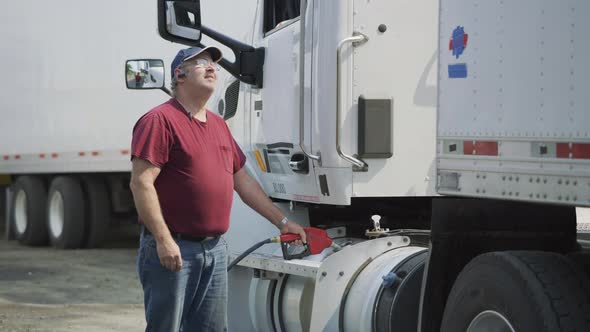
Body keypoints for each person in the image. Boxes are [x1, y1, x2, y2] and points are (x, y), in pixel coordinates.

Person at [129, 46, 307, 332]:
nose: (211, 68)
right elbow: (141, 182)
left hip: (214, 249)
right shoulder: (160, 121)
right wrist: (163, 240)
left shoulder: (219, 126)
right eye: (200, 63)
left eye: (213, 63)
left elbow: (243, 182)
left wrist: (283, 222)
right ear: (180, 75)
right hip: (175, 247)